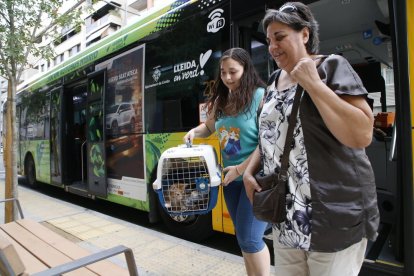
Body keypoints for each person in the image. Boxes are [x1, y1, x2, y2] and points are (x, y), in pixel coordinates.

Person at [243, 2, 380, 276]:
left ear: (304, 34)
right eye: (269, 40)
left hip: (333, 214)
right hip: (287, 214)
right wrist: (248, 171)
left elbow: (362, 134)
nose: (272, 47)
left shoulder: (331, 67)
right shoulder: (272, 81)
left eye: (280, 37)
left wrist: (314, 84)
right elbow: (271, 137)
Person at [184, 47, 271, 275]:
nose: (228, 78)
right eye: (223, 72)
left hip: (255, 178)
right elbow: (209, 127)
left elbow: (268, 142)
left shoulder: (260, 96)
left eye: (233, 71)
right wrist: (195, 131)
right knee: (243, 238)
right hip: (231, 181)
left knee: (251, 239)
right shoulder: (222, 100)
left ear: (246, 69)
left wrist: (241, 169)